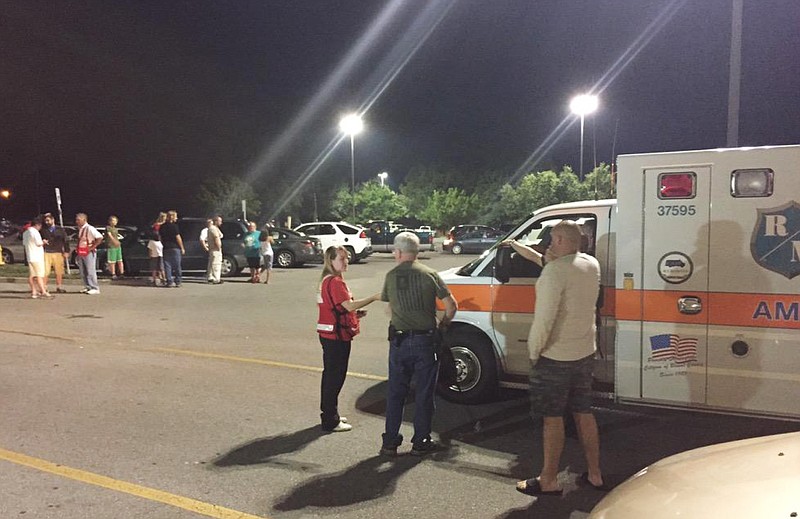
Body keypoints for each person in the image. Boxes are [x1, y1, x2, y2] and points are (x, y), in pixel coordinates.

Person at [514, 220, 605, 497]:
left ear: (563, 241)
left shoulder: (554, 273)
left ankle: (549, 480)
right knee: (583, 413)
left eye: (553, 239)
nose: (549, 244)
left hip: (555, 357)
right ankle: (595, 474)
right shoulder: (591, 265)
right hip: (584, 353)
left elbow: (545, 321)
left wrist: (533, 352)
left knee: (552, 419)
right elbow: (549, 260)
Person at [380, 232, 457, 456]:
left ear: (400, 252)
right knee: (424, 393)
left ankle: (390, 442)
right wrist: (443, 326)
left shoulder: (391, 275)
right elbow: (451, 306)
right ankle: (421, 440)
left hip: (399, 341)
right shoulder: (430, 274)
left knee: (395, 393)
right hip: (426, 341)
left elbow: (389, 308)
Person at [316, 246, 380, 432]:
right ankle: (330, 419)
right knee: (334, 378)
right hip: (336, 337)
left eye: (347, 258)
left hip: (329, 334)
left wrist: (353, 315)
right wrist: (374, 297)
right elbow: (348, 305)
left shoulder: (326, 280)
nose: (346, 262)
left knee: (330, 376)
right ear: (331, 261)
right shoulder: (335, 282)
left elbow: (337, 308)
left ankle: (330, 414)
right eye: (341, 259)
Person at [40, 212, 71, 293]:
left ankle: (59, 286)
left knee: (59, 271)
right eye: (45, 221)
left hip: (58, 252)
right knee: (45, 271)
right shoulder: (43, 230)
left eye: (48, 220)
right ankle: (44, 287)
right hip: (47, 252)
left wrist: (67, 251)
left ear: (53, 220)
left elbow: (66, 241)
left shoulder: (60, 229)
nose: (47, 222)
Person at [22, 216, 52, 299]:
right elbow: (39, 243)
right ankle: (43, 291)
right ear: (38, 225)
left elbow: (24, 244)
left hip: (30, 256)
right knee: (39, 275)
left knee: (32, 275)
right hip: (37, 256)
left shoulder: (26, 232)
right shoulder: (35, 232)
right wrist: (44, 242)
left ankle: (34, 292)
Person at [75, 213, 103, 295]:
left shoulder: (90, 228)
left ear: (84, 220)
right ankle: (87, 286)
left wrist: (92, 247)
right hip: (82, 251)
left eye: (78, 220)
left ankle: (95, 287)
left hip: (89, 252)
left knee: (90, 270)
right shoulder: (81, 229)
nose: (76, 221)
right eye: (76, 219)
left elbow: (100, 237)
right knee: (83, 270)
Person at [159, 210, 184, 287]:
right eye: (175, 216)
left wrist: (163, 244)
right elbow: (178, 237)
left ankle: (169, 281)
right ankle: (178, 281)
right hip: (175, 247)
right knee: (177, 265)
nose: (176, 218)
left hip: (166, 247)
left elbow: (160, 237)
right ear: (172, 217)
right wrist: (182, 247)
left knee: (167, 265)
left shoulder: (162, 227)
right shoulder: (174, 226)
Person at [202, 217, 224, 284]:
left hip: (212, 249)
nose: (221, 223)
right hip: (215, 249)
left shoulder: (212, 228)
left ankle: (210, 277)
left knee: (211, 263)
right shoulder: (213, 229)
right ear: (216, 221)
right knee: (216, 264)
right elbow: (216, 238)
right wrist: (219, 247)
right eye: (220, 221)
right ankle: (216, 279)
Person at [104, 215, 124, 280]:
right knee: (112, 261)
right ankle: (113, 273)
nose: (114, 222)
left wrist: (118, 242)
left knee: (120, 260)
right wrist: (114, 241)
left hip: (117, 246)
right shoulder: (108, 228)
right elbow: (110, 236)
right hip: (111, 246)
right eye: (113, 220)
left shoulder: (115, 229)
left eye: (115, 221)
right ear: (110, 221)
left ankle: (121, 273)